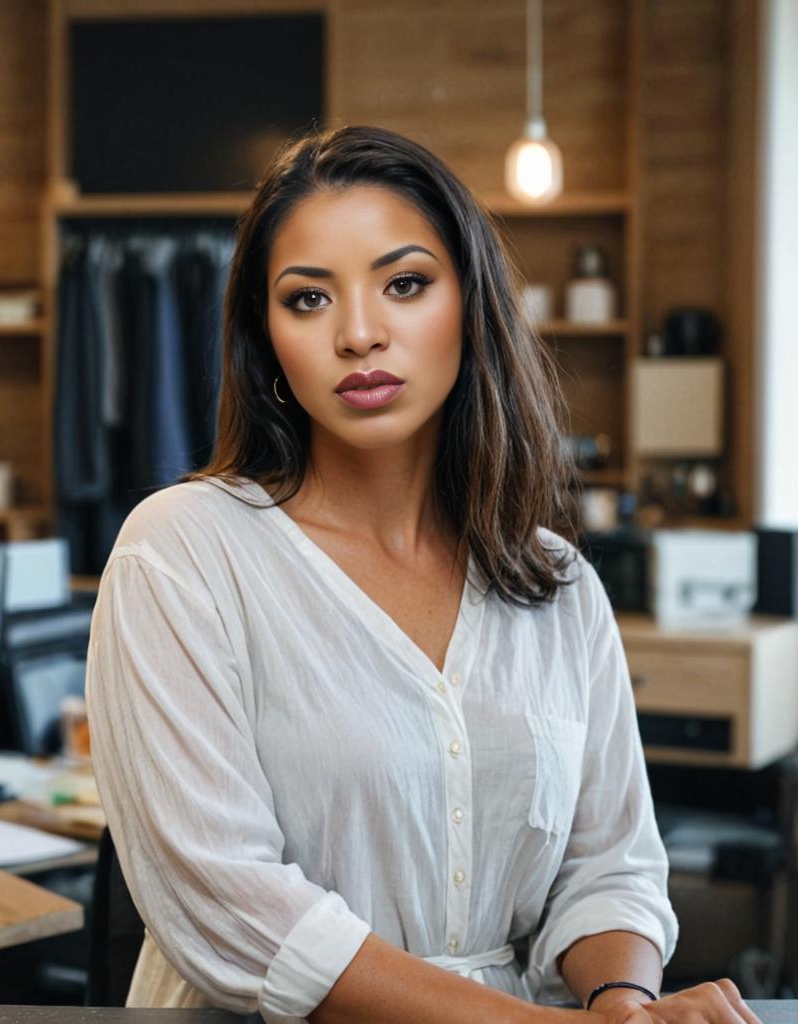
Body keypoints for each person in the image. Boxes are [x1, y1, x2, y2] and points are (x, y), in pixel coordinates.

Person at [85, 125, 761, 1024]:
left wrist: (626, 1006)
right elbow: (232, 906)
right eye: (308, 299)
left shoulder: (555, 582)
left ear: (470, 304)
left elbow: (611, 867)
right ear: (267, 337)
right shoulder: (181, 554)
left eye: (404, 284)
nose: (360, 334)